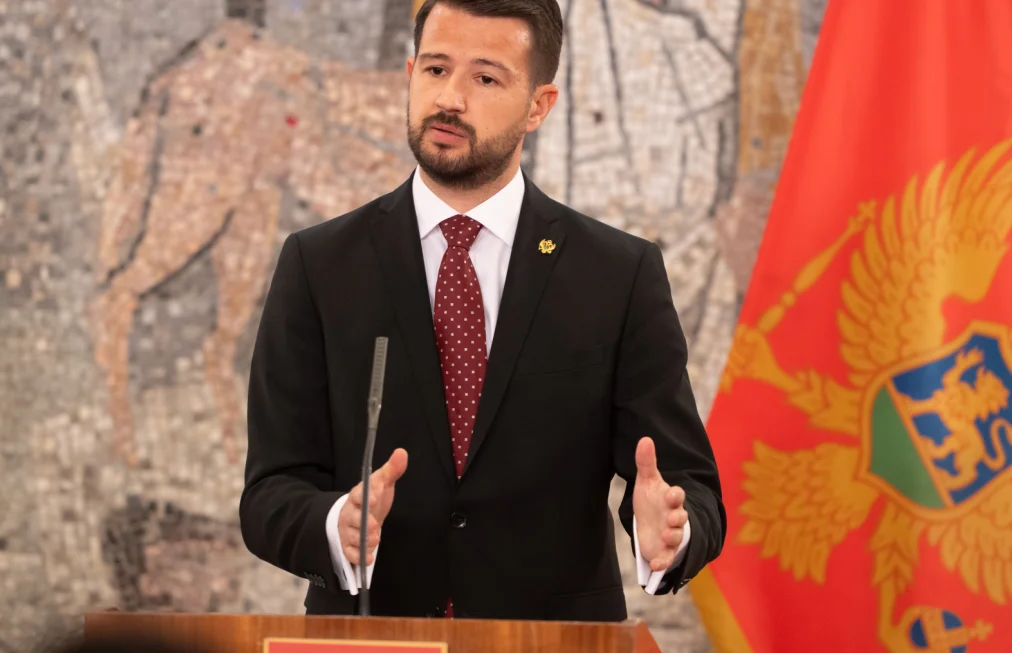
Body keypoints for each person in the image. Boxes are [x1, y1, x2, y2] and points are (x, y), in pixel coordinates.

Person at [240, 0, 725, 622]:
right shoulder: (319, 263)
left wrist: (672, 533)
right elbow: (269, 491)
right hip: (371, 634)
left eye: (486, 78)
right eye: (436, 70)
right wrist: (336, 526)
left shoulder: (617, 274)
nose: (450, 99)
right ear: (410, 72)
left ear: (538, 106)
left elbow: (689, 482)